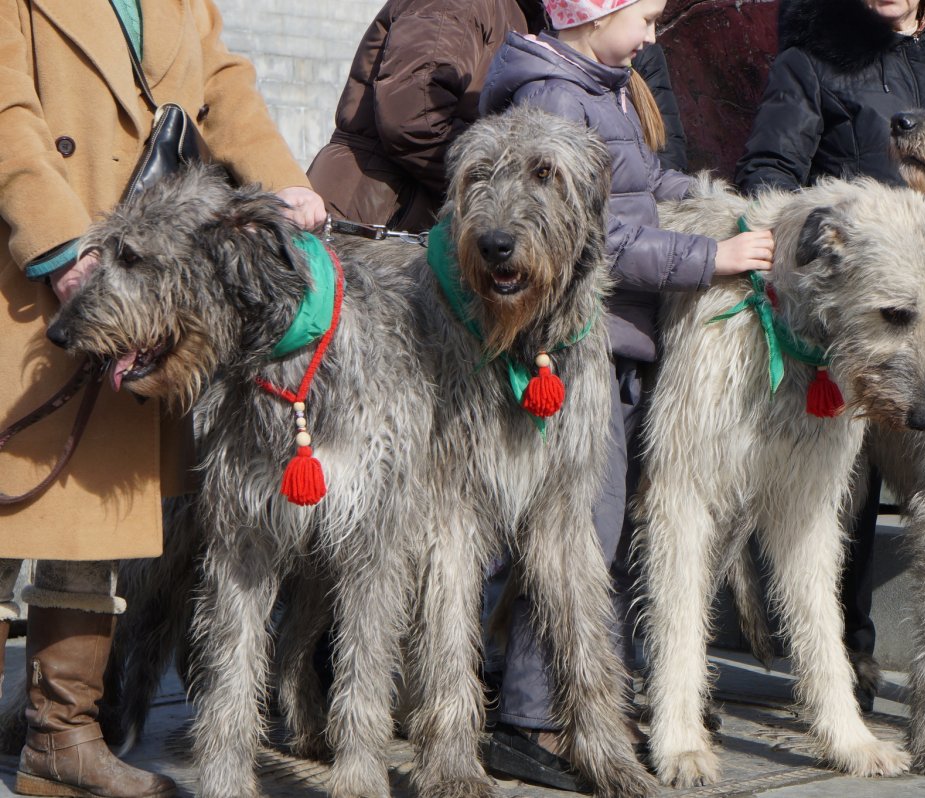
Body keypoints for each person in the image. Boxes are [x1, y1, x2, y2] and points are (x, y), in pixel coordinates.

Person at [0, 3, 323, 796]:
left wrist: (280, 181)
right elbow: (4, 114)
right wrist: (60, 246)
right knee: (14, 502)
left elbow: (221, 82)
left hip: (147, 276)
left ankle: (61, 736)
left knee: (89, 518)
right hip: (37, 260)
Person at [476, 0, 774, 787]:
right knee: (575, 535)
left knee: (598, 534)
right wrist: (712, 256)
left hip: (623, 342)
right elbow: (598, 239)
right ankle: (530, 722)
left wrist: (718, 202)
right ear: (593, 11)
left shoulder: (603, 82)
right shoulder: (554, 99)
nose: (651, 36)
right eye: (642, 15)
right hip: (581, 347)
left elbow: (642, 186)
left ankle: (579, 705)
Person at [736, 0, 925, 723]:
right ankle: (845, 657)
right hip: (859, 313)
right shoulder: (812, 62)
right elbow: (769, 178)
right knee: (845, 491)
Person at [307, 0, 538, 230]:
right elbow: (413, 113)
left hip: (400, 209)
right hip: (374, 209)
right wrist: (487, 181)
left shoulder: (522, 12)